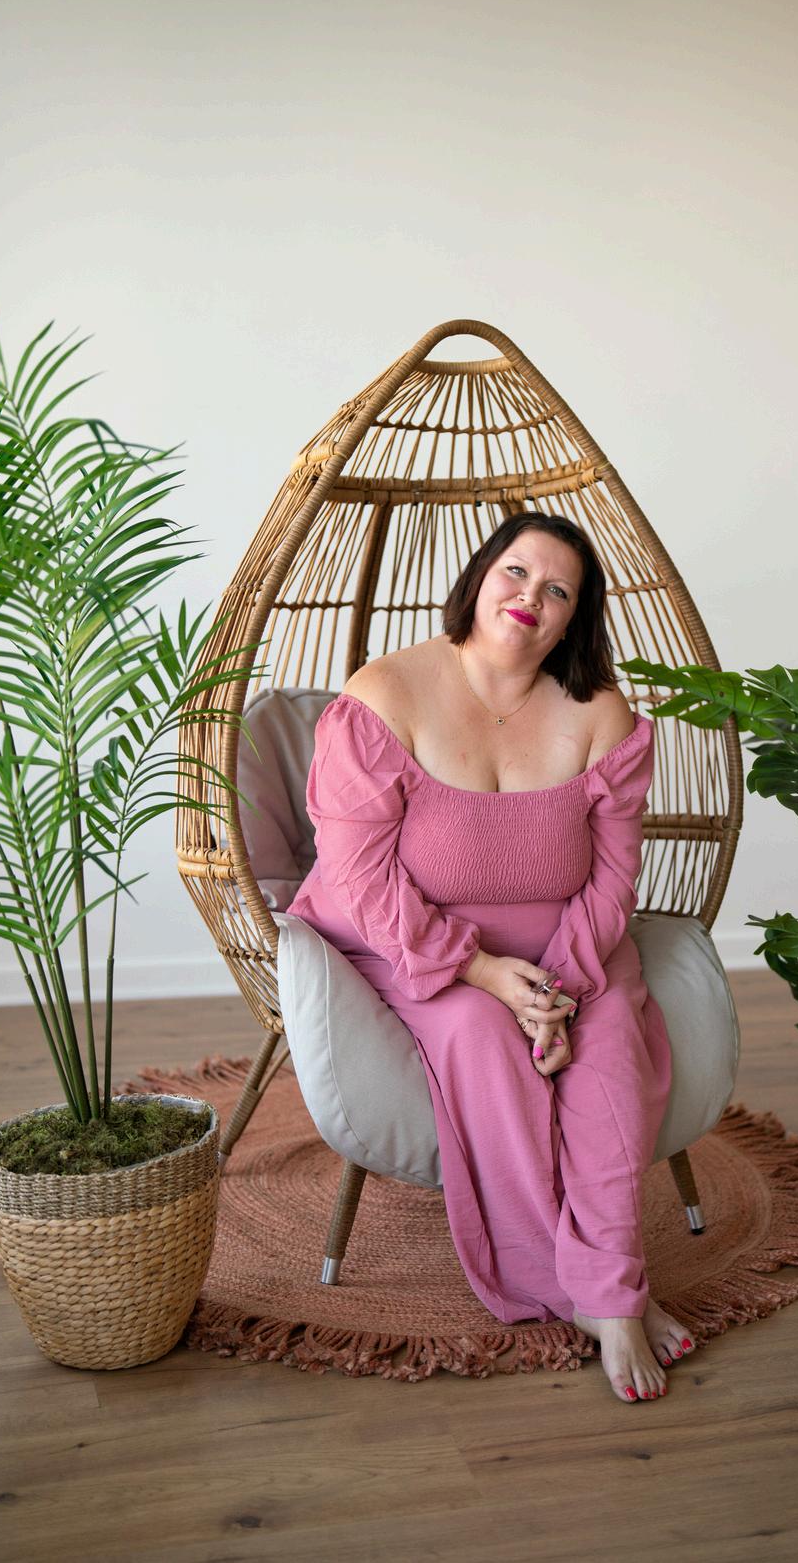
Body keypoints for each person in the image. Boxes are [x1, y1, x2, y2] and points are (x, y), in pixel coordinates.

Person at [287, 512, 696, 1403]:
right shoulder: (385, 693)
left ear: (575, 616)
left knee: (607, 1055)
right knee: (480, 1036)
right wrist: (478, 973)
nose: (529, 597)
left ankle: (611, 1291)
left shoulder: (600, 713)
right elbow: (359, 876)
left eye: (557, 589)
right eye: (515, 571)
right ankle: (583, 1290)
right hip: (410, 940)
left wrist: (558, 989)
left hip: (567, 947)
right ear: (478, 576)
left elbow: (614, 878)